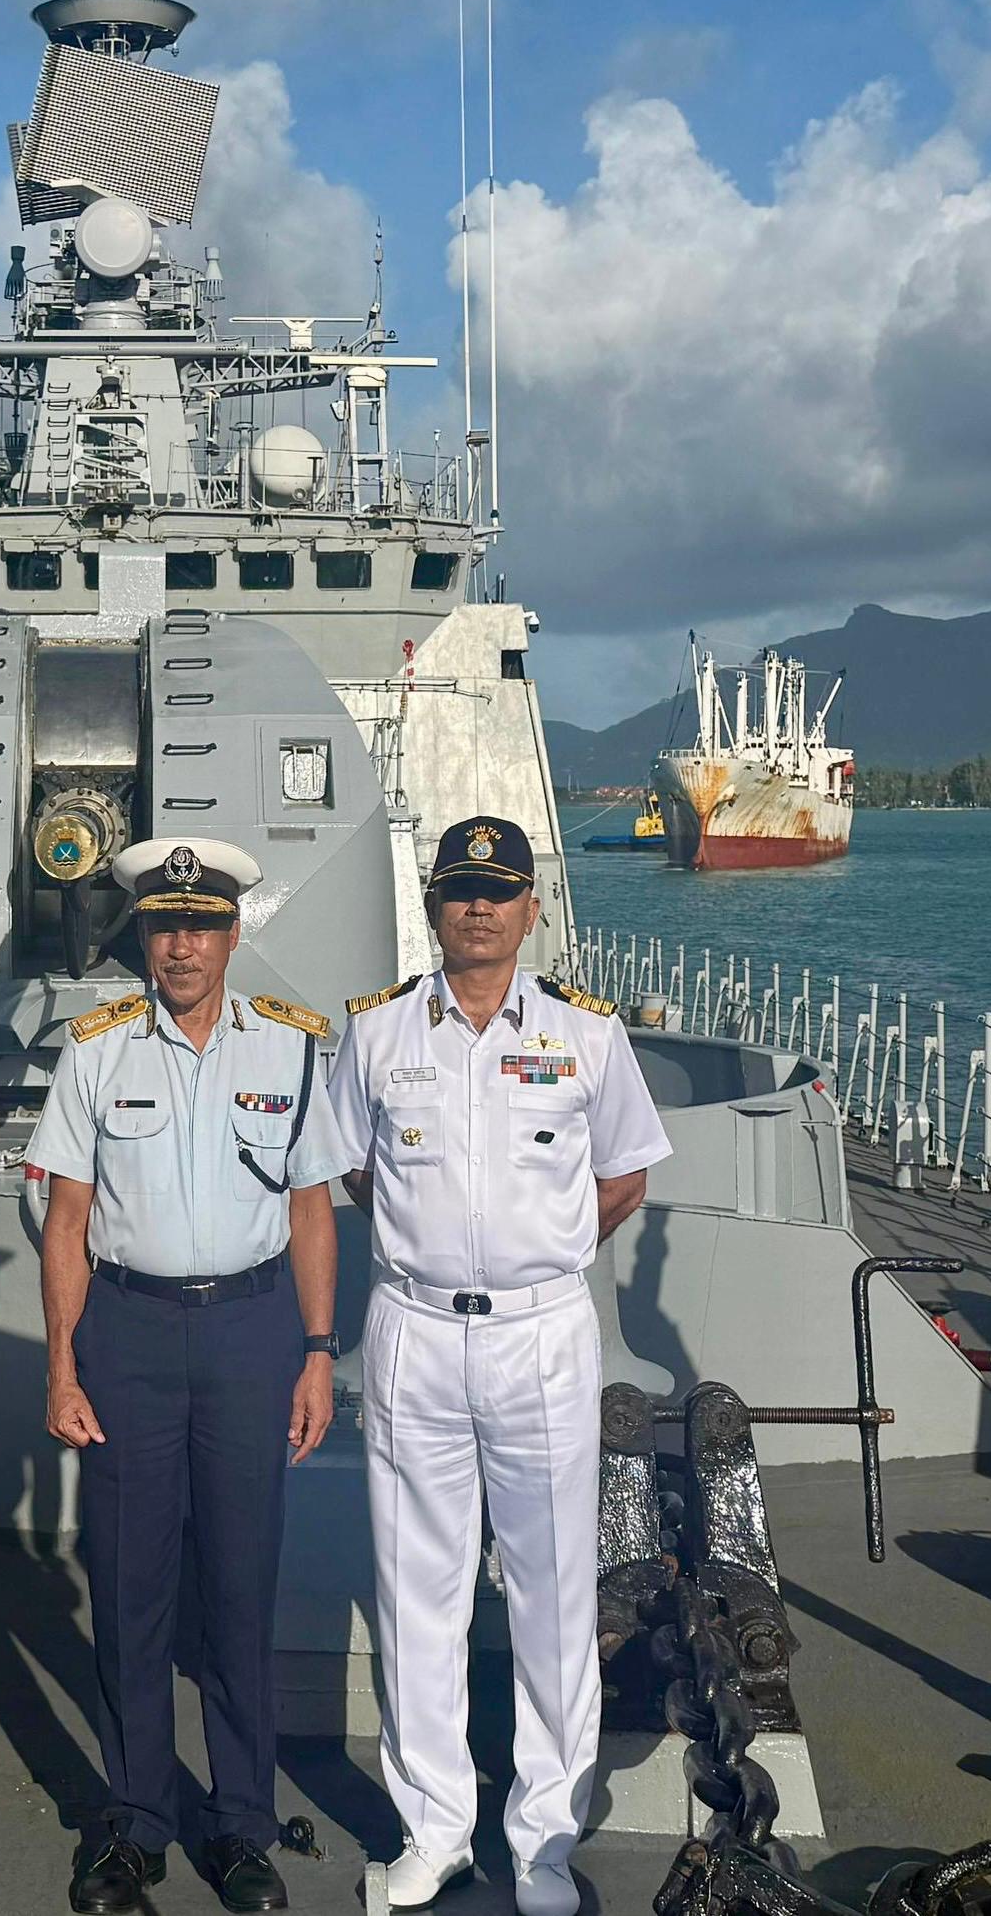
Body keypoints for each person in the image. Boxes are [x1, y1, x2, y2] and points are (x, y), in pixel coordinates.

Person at [324, 819, 670, 1916]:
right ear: (432, 907)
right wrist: (437, 1261)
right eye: (459, 892)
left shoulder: (585, 1036)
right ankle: (433, 1831)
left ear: (531, 910)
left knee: (554, 1591)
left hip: (539, 1335)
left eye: (498, 892)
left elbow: (623, 1179)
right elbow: (350, 1172)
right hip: (415, 1330)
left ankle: (545, 1840)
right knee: (413, 1589)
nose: (477, 910)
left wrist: (535, 1264)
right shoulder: (376, 1035)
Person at [33, 839, 357, 1914]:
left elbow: (311, 1208)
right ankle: (133, 1822)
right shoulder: (96, 1051)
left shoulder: (295, 1050)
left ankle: (241, 1824)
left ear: (232, 933)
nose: (182, 943)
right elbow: (67, 1223)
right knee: (127, 1586)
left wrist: (317, 1353)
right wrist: (61, 1366)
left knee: (236, 1583)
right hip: (127, 1333)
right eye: (164, 925)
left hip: (253, 1333)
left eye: (203, 924)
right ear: (143, 935)